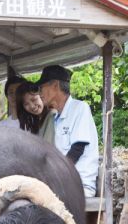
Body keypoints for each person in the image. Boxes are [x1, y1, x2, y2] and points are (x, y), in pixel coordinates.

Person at [38, 64, 99, 197]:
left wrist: (56, 175)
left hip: (79, 185)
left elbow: (78, 148)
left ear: (55, 85)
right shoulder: (56, 117)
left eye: (41, 87)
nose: (39, 93)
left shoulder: (80, 108)